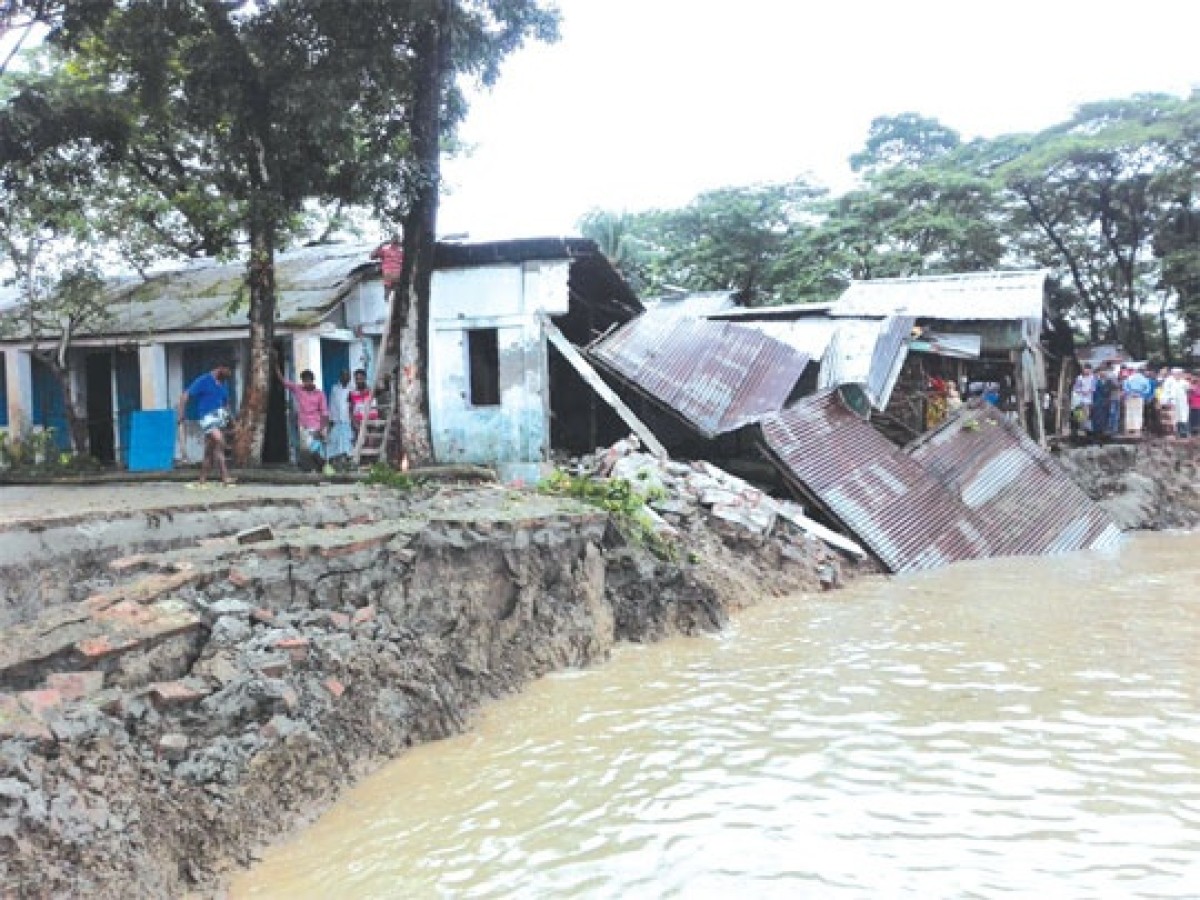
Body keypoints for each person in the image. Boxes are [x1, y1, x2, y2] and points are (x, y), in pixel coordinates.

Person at [177, 364, 234, 485]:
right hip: (207, 418)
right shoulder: (203, 380)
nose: (223, 380)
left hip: (219, 417)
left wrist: (231, 420)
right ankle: (225, 477)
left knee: (210, 450)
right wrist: (181, 414)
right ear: (219, 368)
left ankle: (202, 480)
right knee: (220, 442)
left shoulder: (223, 383)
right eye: (224, 375)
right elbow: (185, 396)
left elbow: (226, 403)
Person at [273, 357, 330, 471]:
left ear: (312, 380)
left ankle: (322, 468)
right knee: (308, 449)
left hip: (316, 425)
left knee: (315, 449)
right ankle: (319, 468)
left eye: (308, 380)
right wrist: (275, 363)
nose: (306, 382)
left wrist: (323, 428)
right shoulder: (298, 389)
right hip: (303, 424)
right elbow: (282, 380)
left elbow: (324, 412)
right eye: (304, 380)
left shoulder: (319, 394)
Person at [327, 369, 353, 469]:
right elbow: (332, 404)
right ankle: (336, 463)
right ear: (340, 377)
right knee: (335, 442)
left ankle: (347, 463)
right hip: (337, 420)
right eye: (344, 375)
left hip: (348, 420)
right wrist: (331, 419)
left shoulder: (351, 389)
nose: (346, 377)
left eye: (348, 376)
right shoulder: (335, 389)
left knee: (348, 442)